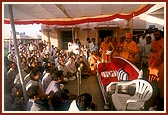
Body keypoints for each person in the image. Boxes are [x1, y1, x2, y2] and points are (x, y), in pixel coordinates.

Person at [148, 30, 164, 102]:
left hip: (158, 63)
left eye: (157, 34)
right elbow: (152, 49)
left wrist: (158, 60)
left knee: (158, 80)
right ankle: (153, 94)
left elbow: (161, 53)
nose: (156, 36)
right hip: (152, 63)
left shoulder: (163, 41)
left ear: (161, 34)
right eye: (155, 34)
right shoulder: (154, 41)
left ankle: (159, 97)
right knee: (152, 78)